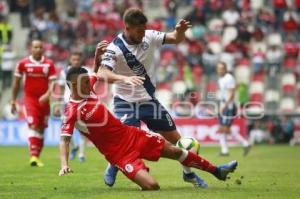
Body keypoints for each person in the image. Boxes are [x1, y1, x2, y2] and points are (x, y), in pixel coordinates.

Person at [58, 66, 238, 191]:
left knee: (175, 151)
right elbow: (64, 140)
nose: (90, 85)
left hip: (131, 134)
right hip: (119, 154)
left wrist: (97, 56)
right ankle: (123, 168)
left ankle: (218, 171)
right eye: (85, 83)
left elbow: (97, 72)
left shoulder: (87, 87)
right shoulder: (72, 111)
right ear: (73, 86)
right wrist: (64, 164)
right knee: (152, 186)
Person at [95, 8, 207, 188]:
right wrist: (124, 78)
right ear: (127, 28)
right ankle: (113, 165)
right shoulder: (114, 47)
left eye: (143, 29)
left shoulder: (149, 35)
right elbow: (101, 72)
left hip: (148, 101)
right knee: (129, 143)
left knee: (177, 140)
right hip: (125, 102)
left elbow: (174, 39)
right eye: (138, 30)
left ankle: (189, 174)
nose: (142, 33)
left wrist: (180, 32)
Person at [11, 39, 56, 167]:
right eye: (35, 47)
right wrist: (13, 100)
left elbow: (53, 83)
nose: (38, 49)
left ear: (43, 49)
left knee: (41, 129)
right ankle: (33, 156)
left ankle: (37, 156)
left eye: (40, 47)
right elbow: (16, 83)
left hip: (44, 101)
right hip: (30, 100)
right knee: (33, 125)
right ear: (30, 49)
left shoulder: (49, 64)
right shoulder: (23, 63)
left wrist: (47, 94)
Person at [57, 51, 90, 162]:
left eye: (77, 59)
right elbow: (61, 89)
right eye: (73, 59)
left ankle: (81, 154)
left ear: (80, 60)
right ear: (70, 60)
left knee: (83, 129)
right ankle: (74, 147)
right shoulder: (64, 72)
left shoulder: (86, 71)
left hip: (83, 103)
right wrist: (58, 103)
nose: (75, 61)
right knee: (64, 128)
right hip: (68, 103)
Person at [216, 62, 251, 156]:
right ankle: (225, 150)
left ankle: (244, 143)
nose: (219, 70)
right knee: (222, 128)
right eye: (218, 68)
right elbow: (224, 94)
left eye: (221, 68)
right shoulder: (221, 79)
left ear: (225, 69)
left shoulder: (229, 78)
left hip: (229, 107)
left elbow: (232, 94)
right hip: (223, 106)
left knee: (225, 129)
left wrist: (224, 106)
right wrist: (220, 106)